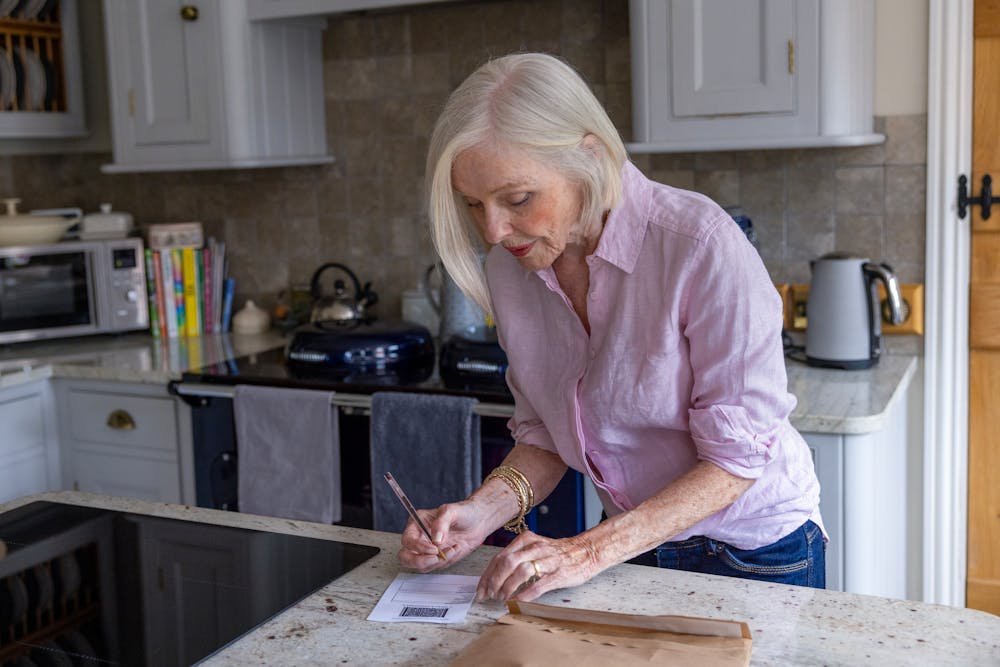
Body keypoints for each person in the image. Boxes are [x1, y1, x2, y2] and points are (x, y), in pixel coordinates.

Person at [398, 52, 825, 602]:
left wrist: (588, 551)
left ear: (588, 154)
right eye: (474, 205)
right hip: (631, 545)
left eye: (519, 198)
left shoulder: (702, 246)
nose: (495, 230)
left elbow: (737, 461)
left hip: (753, 552)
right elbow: (548, 435)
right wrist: (483, 512)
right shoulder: (512, 267)